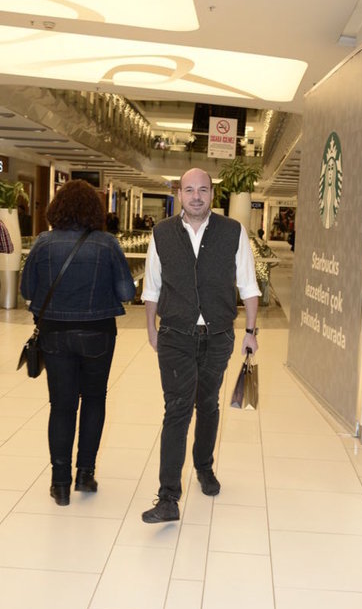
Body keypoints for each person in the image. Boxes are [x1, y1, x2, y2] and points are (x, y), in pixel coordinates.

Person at [141, 167, 260, 524]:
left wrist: (250, 331)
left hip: (218, 336)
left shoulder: (232, 232)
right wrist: (151, 328)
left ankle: (204, 467)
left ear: (212, 194)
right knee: (177, 409)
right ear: (179, 194)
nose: (196, 196)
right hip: (175, 334)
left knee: (207, 404)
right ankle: (168, 497)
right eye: (189, 190)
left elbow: (248, 285)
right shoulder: (162, 233)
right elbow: (152, 287)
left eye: (203, 190)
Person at [20, 180, 136, 507]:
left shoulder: (43, 243)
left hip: (54, 333)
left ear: (57, 208)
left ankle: (60, 484)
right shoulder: (107, 244)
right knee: (94, 399)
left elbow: (27, 290)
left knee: (62, 405)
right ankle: (85, 474)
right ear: (93, 211)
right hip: (99, 332)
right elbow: (127, 292)